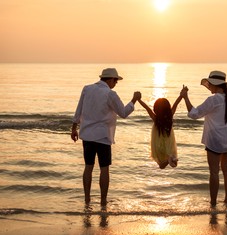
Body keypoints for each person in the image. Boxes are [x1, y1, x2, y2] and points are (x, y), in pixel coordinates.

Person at [180, 71, 227, 206]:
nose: (209, 88)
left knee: (214, 172)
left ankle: (213, 203)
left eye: (210, 85)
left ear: (214, 84)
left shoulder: (213, 100)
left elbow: (194, 114)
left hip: (214, 140)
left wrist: (185, 97)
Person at [71, 68, 141, 205]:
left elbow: (78, 110)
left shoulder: (87, 89)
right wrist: (134, 100)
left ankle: (87, 199)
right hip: (103, 136)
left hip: (87, 135)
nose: (116, 84)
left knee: (88, 167)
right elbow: (123, 113)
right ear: (110, 79)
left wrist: (74, 129)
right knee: (104, 169)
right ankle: (103, 201)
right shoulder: (110, 94)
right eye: (115, 81)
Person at [137, 89, 184, 169]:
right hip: (169, 143)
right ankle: (169, 159)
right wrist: (182, 94)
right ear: (168, 107)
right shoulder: (170, 116)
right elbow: (176, 103)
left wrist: (138, 99)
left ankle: (167, 160)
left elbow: (147, 108)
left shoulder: (155, 118)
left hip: (157, 143)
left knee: (161, 166)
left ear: (156, 108)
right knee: (174, 165)